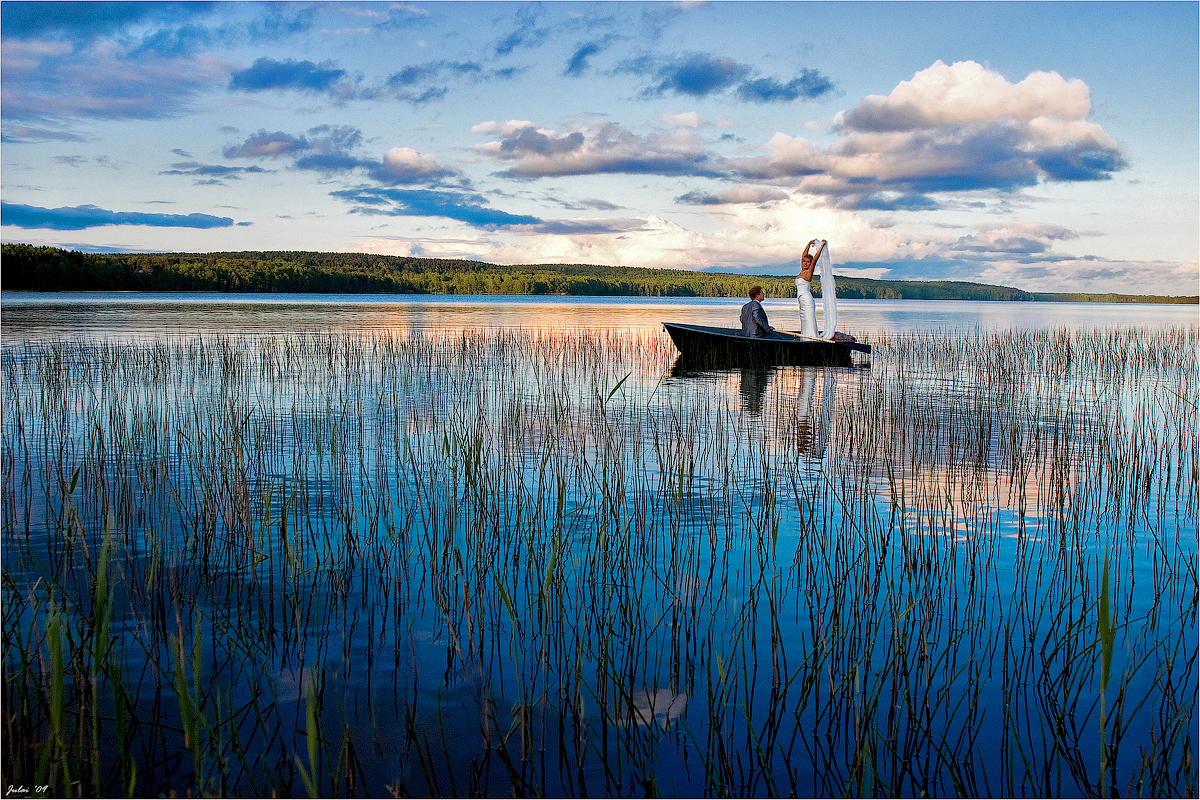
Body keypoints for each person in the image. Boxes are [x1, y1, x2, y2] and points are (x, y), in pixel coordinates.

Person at [795, 239, 824, 337]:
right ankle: (805, 338)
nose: (805, 263)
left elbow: (815, 259)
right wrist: (808, 244)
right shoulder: (802, 271)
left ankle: (811, 339)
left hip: (807, 300)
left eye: (808, 262)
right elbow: (803, 255)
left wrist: (821, 247)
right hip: (801, 301)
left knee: (809, 320)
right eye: (804, 261)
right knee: (804, 321)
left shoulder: (808, 273)